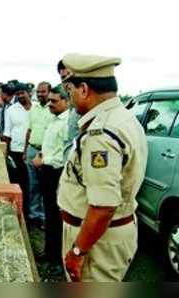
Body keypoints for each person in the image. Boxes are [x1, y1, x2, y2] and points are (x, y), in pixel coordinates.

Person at [58, 53, 148, 282]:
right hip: (107, 235)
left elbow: (103, 206)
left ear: (84, 89)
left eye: (70, 92)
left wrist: (78, 251)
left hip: (97, 242)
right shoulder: (123, 118)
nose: (69, 99)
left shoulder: (101, 134)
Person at [32, 84, 69, 278]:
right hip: (46, 170)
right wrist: (41, 155)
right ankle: (49, 253)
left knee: (56, 217)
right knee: (49, 214)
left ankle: (56, 260)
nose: (50, 104)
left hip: (56, 173)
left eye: (54, 101)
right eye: (50, 101)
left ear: (66, 101)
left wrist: (43, 160)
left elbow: (65, 156)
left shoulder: (66, 123)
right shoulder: (54, 120)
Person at [23, 81, 52, 228]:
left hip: (46, 152)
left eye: (43, 92)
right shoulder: (33, 109)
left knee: (45, 185)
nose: (40, 94)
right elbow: (29, 131)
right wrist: (25, 150)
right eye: (38, 92)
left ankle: (44, 216)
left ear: (49, 92)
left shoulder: (53, 109)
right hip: (32, 149)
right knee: (33, 185)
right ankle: (34, 215)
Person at [4, 82, 32, 217]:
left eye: (23, 92)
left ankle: (33, 211)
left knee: (34, 183)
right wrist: (6, 153)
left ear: (29, 93)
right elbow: (7, 132)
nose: (21, 96)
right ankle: (23, 212)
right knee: (22, 182)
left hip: (33, 150)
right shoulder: (11, 110)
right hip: (16, 150)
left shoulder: (37, 108)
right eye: (18, 93)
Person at [58, 60, 81, 162]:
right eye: (63, 78)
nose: (67, 82)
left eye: (70, 76)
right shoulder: (73, 107)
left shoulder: (86, 109)